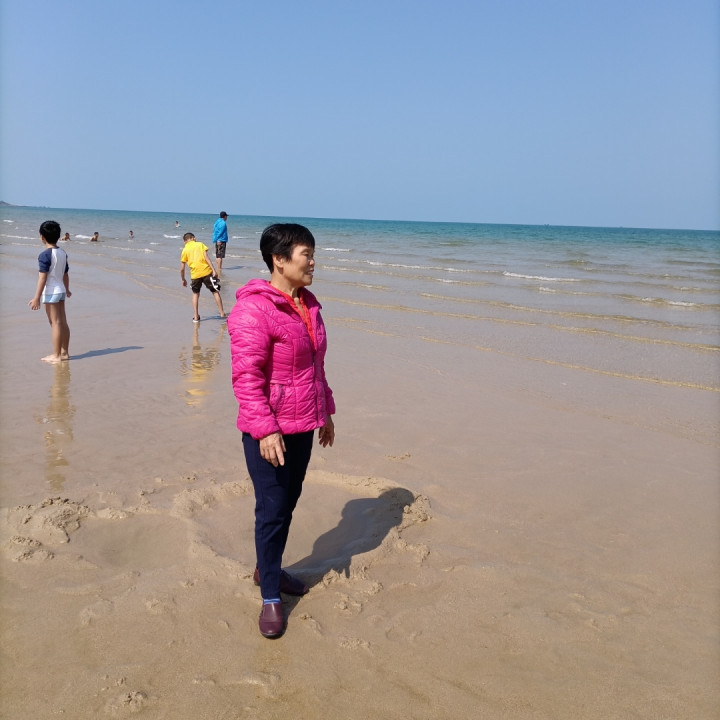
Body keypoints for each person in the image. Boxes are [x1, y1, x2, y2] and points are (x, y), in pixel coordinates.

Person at [228, 223, 336, 639]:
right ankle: (270, 595)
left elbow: (314, 368)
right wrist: (265, 429)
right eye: (306, 254)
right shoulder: (253, 310)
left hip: (303, 423)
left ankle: (267, 568)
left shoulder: (308, 305)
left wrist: (325, 412)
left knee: (288, 504)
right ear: (279, 259)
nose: (313, 262)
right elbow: (246, 377)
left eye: (312, 254)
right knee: (271, 510)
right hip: (268, 431)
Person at [28, 220, 71, 363]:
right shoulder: (62, 253)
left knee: (55, 323)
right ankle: (64, 352)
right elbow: (65, 274)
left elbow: (43, 278)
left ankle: (56, 355)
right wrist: (67, 289)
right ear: (58, 236)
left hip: (51, 292)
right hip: (61, 290)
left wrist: (36, 297)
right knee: (62, 321)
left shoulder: (45, 255)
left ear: (42, 237)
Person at [180, 232, 226, 322]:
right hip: (206, 272)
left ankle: (196, 316)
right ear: (193, 238)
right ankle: (222, 313)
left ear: (185, 241)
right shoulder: (200, 244)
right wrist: (214, 270)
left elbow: (182, 268)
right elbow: (206, 258)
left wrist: (183, 279)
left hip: (195, 275)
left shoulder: (185, 250)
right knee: (215, 291)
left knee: (195, 294)